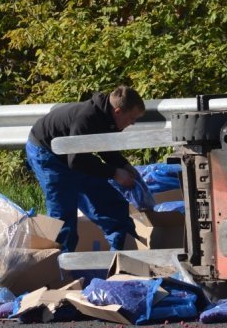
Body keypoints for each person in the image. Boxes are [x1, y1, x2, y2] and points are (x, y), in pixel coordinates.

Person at [25, 85, 146, 252]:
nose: (132, 123)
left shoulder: (108, 118)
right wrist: (114, 173)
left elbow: (104, 148)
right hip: (47, 154)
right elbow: (76, 161)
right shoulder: (86, 118)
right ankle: (58, 264)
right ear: (118, 111)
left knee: (113, 208)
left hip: (75, 156)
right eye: (132, 118)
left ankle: (125, 259)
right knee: (64, 219)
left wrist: (123, 165)